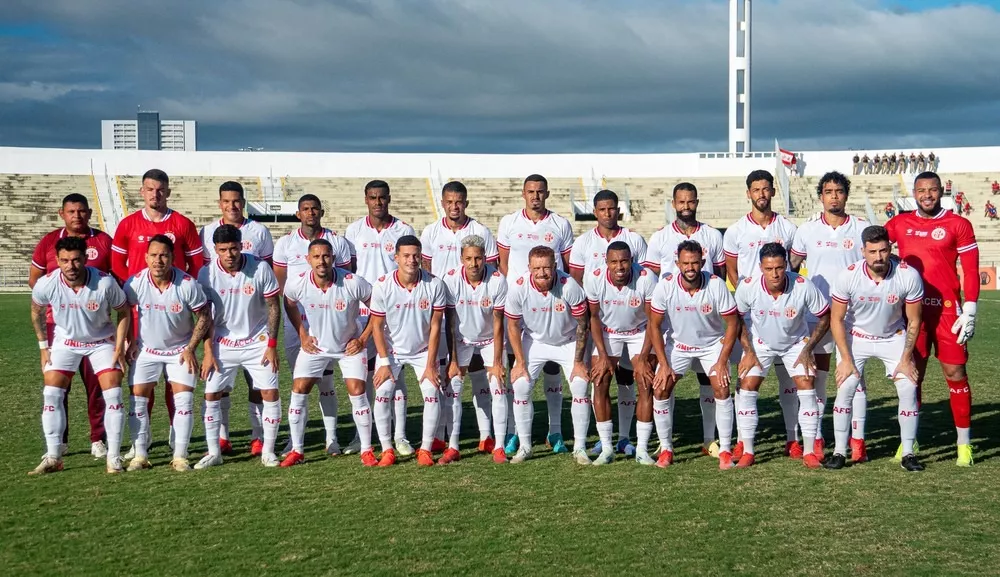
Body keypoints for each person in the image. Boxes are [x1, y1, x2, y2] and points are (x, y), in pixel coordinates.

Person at [885, 171, 979, 466]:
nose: (927, 195)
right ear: (914, 193)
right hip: (913, 312)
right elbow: (872, 247)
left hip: (947, 311)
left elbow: (972, 269)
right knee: (913, 376)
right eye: (921, 190)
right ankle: (908, 442)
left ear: (942, 192)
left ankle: (964, 444)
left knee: (955, 373)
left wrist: (971, 309)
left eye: (933, 190)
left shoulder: (958, 224)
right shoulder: (899, 223)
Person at [112, 169, 204, 456]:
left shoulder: (182, 224)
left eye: (160, 189)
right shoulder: (128, 224)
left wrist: (183, 292)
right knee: (142, 382)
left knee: (174, 381)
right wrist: (132, 296)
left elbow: (197, 264)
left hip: (174, 310)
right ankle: (143, 439)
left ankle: (177, 437)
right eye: (150, 189)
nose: (155, 194)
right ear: (142, 192)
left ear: (168, 192)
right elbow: (117, 266)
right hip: (139, 313)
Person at [28, 237, 130, 475]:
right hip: (65, 342)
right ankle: (53, 456)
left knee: (113, 392)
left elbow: (123, 311)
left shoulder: (104, 283)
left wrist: (119, 348)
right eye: (64, 260)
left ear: (85, 258)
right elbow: (36, 311)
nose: (70, 266)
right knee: (51, 392)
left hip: (101, 342)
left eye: (75, 260)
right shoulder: (47, 283)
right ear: (57, 260)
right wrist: (44, 346)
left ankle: (113, 458)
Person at [826, 225, 925, 471]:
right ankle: (839, 451)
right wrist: (846, 359)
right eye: (872, 252)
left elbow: (914, 320)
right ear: (863, 251)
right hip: (856, 336)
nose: (878, 257)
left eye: (882, 250)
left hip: (893, 337)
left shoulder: (908, 275)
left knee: (908, 387)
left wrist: (906, 358)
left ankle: (909, 453)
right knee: (846, 386)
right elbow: (836, 319)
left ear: (890, 248)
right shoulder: (848, 275)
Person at [723, 170, 802, 458]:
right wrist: (746, 290)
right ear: (748, 193)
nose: (761, 194)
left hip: (784, 314)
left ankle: (792, 438)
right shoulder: (735, 231)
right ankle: (744, 439)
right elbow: (731, 269)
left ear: (773, 192)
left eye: (766, 189)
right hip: (751, 315)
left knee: (788, 382)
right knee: (746, 377)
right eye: (756, 189)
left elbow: (793, 262)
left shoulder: (788, 227)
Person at [789, 171, 868, 460]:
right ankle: (818, 436)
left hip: (854, 315)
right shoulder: (807, 230)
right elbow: (793, 265)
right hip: (818, 316)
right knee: (818, 376)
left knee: (854, 378)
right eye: (829, 191)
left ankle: (857, 442)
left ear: (846, 195)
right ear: (820, 196)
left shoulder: (862, 227)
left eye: (839, 191)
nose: (834, 196)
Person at [29, 193, 114, 459]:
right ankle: (60, 442)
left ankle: (98, 439)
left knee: (97, 385)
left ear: (89, 213)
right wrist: (62, 301)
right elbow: (36, 282)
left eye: (81, 211)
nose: (76, 216)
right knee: (57, 386)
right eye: (71, 211)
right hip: (59, 325)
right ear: (61, 213)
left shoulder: (102, 241)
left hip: (95, 326)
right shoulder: (49, 242)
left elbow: (114, 280)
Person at [644, 182, 726, 457]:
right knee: (664, 381)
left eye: (690, 201)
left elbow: (721, 275)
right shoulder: (659, 238)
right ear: (673, 204)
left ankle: (709, 439)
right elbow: (651, 280)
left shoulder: (713, 235)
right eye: (681, 202)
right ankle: (665, 442)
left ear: (697, 202)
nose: (686, 206)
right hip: (670, 325)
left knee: (709, 382)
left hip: (705, 322)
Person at [497, 174, 576, 456]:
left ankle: (554, 431)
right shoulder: (509, 223)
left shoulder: (560, 224)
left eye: (540, 192)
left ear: (547, 193)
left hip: (552, 307)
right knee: (516, 373)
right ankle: (515, 433)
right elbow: (504, 264)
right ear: (523, 193)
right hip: (520, 306)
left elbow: (568, 266)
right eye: (530, 191)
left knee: (553, 371)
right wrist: (518, 294)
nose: (535, 196)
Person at [733, 243, 830, 469]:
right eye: (769, 269)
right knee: (747, 386)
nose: (774, 274)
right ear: (760, 268)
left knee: (807, 386)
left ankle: (808, 451)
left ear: (786, 264)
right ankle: (748, 451)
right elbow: (735, 318)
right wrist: (747, 350)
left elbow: (824, 316)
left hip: (796, 344)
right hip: (760, 344)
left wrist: (808, 349)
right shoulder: (748, 287)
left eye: (778, 267)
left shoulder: (802, 285)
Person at [281, 239, 377, 467]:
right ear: (308, 260)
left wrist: (363, 338)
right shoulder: (298, 283)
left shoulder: (353, 282)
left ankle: (366, 449)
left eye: (326, 256)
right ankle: (297, 449)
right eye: (316, 257)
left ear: (333, 258)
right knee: (299, 389)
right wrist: (302, 333)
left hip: (348, 347)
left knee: (357, 391)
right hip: (316, 347)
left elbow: (378, 307)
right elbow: (289, 303)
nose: (321, 261)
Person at [645, 240, 740, 469]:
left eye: (695, 263)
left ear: (703, 262)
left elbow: (732, 324)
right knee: (661, 387)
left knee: (722, 387)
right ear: (677, 263)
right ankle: (666, 449)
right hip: (678, 346)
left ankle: (725, 450)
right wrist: (664, 364)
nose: (690, 268)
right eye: (686, 263)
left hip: (711, 345)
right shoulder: (666, 285)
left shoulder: (716, 285)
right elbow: (654, 326)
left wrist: (722, 360)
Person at [420, 180, 499, 452]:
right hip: (444, 312)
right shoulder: (430, 232)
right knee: (446, 373)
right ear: (442, 203)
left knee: (479, 374)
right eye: (450, 202)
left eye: (459, 202)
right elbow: (427, 270)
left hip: (477, 313)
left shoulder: (481, 231)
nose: (455, 207)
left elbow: (492, 268)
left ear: (466, 202)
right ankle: (441, 434)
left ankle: (486, 435)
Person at [195, 224, 283, 468]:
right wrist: (208, 351)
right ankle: (215, 452)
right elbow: (205, 316)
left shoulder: (260, 268)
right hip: (223, 342)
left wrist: (272, 344)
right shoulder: (206, 274)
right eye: (223, 250)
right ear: (215, 250)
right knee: (211, 395)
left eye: (234, 248)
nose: (230, 254)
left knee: (269, 393)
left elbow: (274, 306)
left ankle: (268, 450)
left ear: (242, 246)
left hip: (258, 341)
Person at [568, 189, 647, 457]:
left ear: (618, 209)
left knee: (629, 379)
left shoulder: (634, 239)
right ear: (595, 210)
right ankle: (605, 441)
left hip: (634, 321)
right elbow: (576, 281)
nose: (607, 213)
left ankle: (626, 438)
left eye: (612, 208)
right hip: (602, 322)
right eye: (602, 209)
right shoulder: (583, 243)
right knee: (600, 378)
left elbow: (643, 278)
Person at [122, 235, 212, 472]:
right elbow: (123, 312)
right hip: (146, 349)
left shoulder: (187, 284)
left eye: (164, 255)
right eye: (153, 255)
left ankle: (180, 456)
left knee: (183, 400)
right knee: (138, 400)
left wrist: (192, 348)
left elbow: (204, 316)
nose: (158, 260)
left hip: (180, 350)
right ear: (145, 257)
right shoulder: (134, 283)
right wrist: (130, 341)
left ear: (173, 258)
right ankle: (140, 455)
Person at [273, 194, 353, 456]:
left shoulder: (337, 242)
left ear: (321, 211)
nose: (310, 213)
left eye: (314, 209)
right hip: (297, 325)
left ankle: (332, 439)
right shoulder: (285, 243)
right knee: (301, 382)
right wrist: (299, 328)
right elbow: (282, 284)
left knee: (327, 382)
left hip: (328, 322)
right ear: (298, 213)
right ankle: (296, 441)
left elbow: (345, 279)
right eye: (305, 209)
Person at [345, 181, 419, 456]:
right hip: (363, 314)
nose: (378, 202)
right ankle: (360, 435)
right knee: (362, 377)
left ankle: (399, 436)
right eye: (372, 197)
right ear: (366, 199)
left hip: (395, 314)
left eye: (382, 198)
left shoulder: (403, 230)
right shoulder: (353, 231)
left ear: (389, 199)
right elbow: (350, 273)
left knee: (394, 376)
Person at [505, 246, 590, 464]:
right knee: (521, 385)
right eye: (537, 268)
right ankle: (525, 447)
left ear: (555, 266)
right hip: (535, 340)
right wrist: (519, 362)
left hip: (568, 340)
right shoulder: (518, 288)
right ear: (529, 268)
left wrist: (579, 362)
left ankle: (579, 448)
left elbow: (583, 323)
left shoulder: (569, 285)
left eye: (547, 268)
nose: (542, 273)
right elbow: (513, 325)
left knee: (580, 384)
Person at [368, 235, 448, 467]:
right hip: (392, 351)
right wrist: (383, 362)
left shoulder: (434, 284)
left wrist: (431, 363)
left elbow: (435, 326)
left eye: (416, 255)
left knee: (433, 394)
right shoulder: (382, 285)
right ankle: (386, 449)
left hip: (423, 351)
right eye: (406, 256)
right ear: (396, 258)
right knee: (382, 393)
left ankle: (425, 448)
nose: (411, 260)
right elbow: (376, 326)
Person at [583, 242, 657, 466]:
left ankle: (642, 449)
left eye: (624, 261)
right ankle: (606, 448)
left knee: (646, 382)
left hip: (640, 331)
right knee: (601, 380)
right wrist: (603, 355)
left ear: (632, 260)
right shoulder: (594, 277)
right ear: (606, 262)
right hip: (608, 331)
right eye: (614, 261)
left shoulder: (646, 277)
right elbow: (593, 318)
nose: (619, 266)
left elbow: (653, 320)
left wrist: (643, 358)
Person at [442, 236, 508, 463]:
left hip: (490, 339)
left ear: (485, 258)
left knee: (497, 386)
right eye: (468, 258)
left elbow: (499, 322)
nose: (473, 264)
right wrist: (452, 360)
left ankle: (498, 445)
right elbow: (449, 321)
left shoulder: (498, 280)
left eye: (478, 258)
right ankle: (453, 446)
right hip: (461, 340)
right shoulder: (450, 280)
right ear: (461, 259)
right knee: (454, 388)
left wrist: (498, 361)